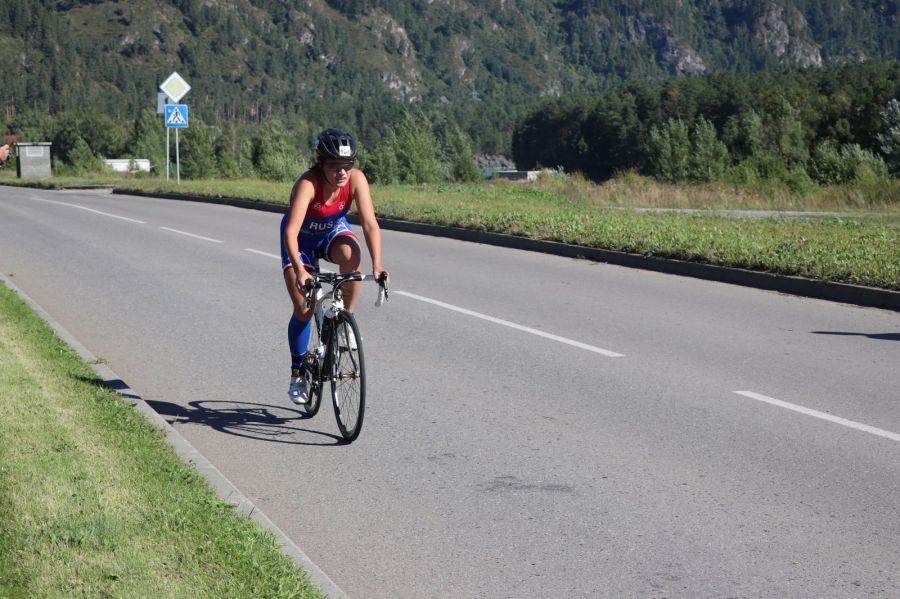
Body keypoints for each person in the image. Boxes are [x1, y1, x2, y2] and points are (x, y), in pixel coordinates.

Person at [280, 128, 388, 404]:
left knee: (352, 257)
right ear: (321, 164)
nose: (342, 172)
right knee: (304, 307)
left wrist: (377, 265)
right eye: (335, 166)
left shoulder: (356, 180)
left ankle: (343, 323)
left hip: (330, 231)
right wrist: (301, 270)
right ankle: (298, 372)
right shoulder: (308, 184)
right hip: (301, 240)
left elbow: (369, 224)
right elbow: (291, 232)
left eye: (348, 165)